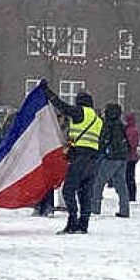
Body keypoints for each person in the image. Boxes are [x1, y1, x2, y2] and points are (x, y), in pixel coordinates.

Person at [47, 87, 102, 235]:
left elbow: (62, 106)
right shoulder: (97, 118)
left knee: (68, 189)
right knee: (85, 192)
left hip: (81, 157)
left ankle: (72, 222)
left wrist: (48, 93)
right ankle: (84, 224)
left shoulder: (81, 112)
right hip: (93, 159)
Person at [94, 103, 132, 218]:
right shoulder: (121, 125)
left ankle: (94, 208)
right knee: (121, 184)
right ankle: (124, 209)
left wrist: (98, 152)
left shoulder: (108, 125)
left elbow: (104, 140)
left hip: (111, 157)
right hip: (122, 157)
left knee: (99, 182)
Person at [123, 112, 140, 203]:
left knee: (128, 176)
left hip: (129, 156)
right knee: (130, 176)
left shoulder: (128, 130)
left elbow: (131, 143)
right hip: (132, 156)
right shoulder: (135, 130)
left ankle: (130, 195)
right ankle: (131, 195)